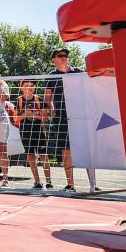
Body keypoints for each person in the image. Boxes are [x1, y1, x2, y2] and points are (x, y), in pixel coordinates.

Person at [44, 48, 84, 191]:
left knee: (86, 148)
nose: (64, 58)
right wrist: (52, 108)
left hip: (81, 115)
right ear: (53, 59)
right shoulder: (52, 76)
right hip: (61, 117)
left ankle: (94, 183)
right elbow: (47, 97)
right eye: (60, 56)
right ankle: (71, 184)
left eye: (65, 55)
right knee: (66, 150)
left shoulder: (78, 72)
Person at [16, 80, 53, 189]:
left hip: (39, 132)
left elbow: (46, 117)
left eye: (32, 86)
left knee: (43, 156)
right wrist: (24, 114)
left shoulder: (38, 100)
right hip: (25, 132)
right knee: (31, 156)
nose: (29, 88)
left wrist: (36, 116)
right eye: (27, 86)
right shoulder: (19, 100)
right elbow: (15, 118)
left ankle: (49, 181)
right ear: (22, 88)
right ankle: (37, 182)